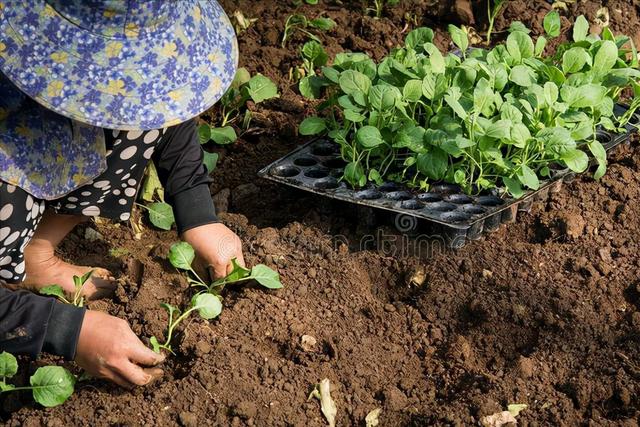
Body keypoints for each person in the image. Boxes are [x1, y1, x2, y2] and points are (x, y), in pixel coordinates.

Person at [0, 0, 243, 388]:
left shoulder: (141, 85)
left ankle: (34, 256)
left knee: (135, 113)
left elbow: (162, 98)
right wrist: (66, 330)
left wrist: (199, 213)